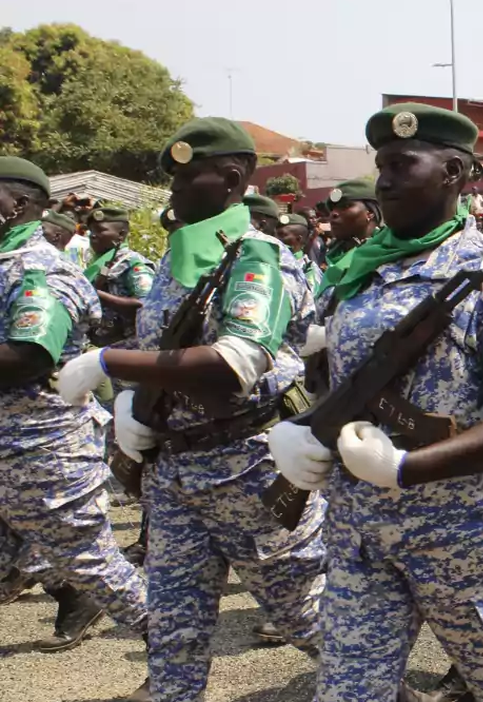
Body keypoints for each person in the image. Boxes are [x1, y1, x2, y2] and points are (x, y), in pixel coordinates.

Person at [269, 103, 483, 702]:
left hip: (468, 537)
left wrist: (406, 468)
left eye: (404, 163)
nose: (385, 179)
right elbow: (344, 381)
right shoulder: (357, 271)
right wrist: (305, 429)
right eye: (382, 164)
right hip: (360, 533)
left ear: (455, 172)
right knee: (348, 691)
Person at [54, 118, 325, 702]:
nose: (170, 188)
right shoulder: (185, 258)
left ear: (231, 177)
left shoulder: (256, 257)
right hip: (174, 471)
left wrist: (109, 363)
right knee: (174, 629)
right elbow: (163, 349)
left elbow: (236, 361)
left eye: (182, 175)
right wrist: (133, 402)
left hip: (245, 468)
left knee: (311, 618)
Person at [0, 158, 150, 688]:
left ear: (17, 203)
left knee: (96, 567)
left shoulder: (35, 268)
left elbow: (29, 355)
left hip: (38, 450)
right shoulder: (6, 260)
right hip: (11, 447)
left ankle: (171, 641)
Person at [83, 206, 156, 349]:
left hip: (125, 346)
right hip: (97, 342)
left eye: (100, 230)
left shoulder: (133, 263)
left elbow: (144, 304)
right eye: (91, 231)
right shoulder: (99, 263)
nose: (93, 235)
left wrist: (96, 294)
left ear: (121, 235)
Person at [324, 178, 380, 270]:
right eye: (332, 209)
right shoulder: (333, 254)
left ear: (370, 213)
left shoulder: (388, 252)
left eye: (345, 206)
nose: (333, 214)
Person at [276, 212, 321, 292]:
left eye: (281, 235)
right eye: (274, 234)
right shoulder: (270, 261)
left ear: (298, 239)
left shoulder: (308, 270)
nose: (275, 238)